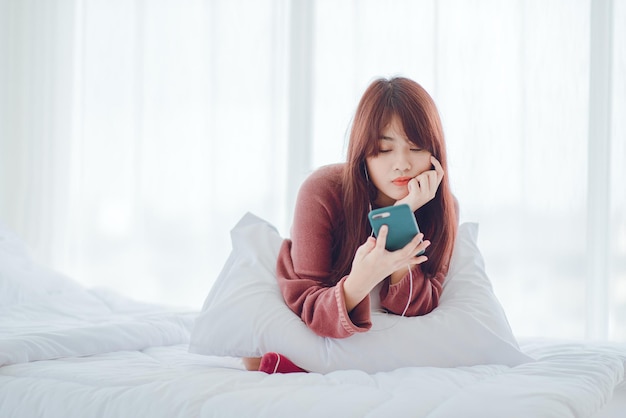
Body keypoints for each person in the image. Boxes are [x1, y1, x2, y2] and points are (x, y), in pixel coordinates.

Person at [243, 76, 458, 373]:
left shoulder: (442, 207)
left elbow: (417, 307)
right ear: (363, 151)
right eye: (384, 149)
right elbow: (308, 303)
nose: (402, 164)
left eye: (416, 147)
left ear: (435, 153)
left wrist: (401, 219)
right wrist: (361, 280)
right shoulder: (322, 191)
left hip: (390, 346)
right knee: (258, 354)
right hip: (323, 324)